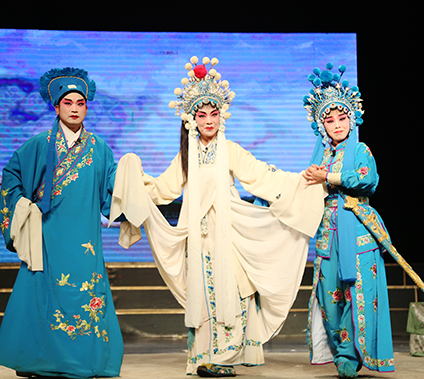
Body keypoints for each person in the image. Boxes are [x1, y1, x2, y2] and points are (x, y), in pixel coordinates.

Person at [109, 56, 327, 377]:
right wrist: (134, 179)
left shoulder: (231, 150)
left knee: (234, 289)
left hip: (229, 232)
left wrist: (302, 180)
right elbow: (164, 189)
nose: (208, 120)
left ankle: (225, 357)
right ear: (191, 119)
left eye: (214, 113)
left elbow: (264, 178)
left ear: (221, 115)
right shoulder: (186, 155)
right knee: (203, 292)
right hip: (198, 237)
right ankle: (204, 357)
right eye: (202, 114)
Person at [0, 67, 123, 378]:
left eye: (80, 103)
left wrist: (133, 186)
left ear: (87, 108)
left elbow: (113, 189)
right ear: (56, 107)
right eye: (68, 103)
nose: (74, 108)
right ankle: (39, 360)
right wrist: (23, 207)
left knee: (83, 295)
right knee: (43, 295)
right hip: (47, 234)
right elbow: (12, 175)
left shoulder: (100, 149)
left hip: (84, 239)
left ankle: (87, 361)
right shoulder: (40, 144)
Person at [301, 63, 394, 378]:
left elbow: (367, 179)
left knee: (358, 294)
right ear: (321, 125)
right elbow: (306, 190)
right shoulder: (321, 157)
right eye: (329, 120)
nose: (337, 125)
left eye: (342, 118)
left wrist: (328, 177)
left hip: (356, 230)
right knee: (330, 297)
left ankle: (351, 356)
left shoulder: (361, 149)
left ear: (351, 119)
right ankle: (340, 352)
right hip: (328, 233)